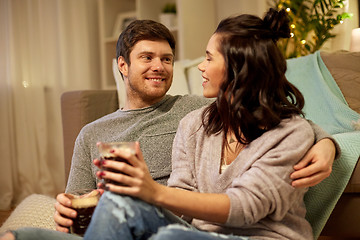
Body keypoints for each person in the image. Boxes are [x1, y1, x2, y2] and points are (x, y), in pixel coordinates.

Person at [0, 16, 336, 240]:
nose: (160, 67)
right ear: (122, 65)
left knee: (166, 236)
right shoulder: (196, 122)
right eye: (147, 58)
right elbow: (77, 203)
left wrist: (327, 143)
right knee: (19, 232)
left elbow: (282, 120)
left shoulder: (191, 107)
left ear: (237, 68)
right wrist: (70, 210)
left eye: (167, 59)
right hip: (142, 220)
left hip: (182, 228)